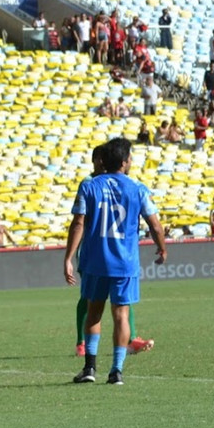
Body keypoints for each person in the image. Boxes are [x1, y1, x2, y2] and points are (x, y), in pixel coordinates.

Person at [64, 137, 167, 386]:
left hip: (95, 261)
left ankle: (89, 367)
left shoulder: (89, 186)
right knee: (121, 315)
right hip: (125, 262)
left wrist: (68, 257)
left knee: (94, 313)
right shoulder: (138, 189)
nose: (131, 162)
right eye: (130, 158)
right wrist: (161, 248)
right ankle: (116, 371)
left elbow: (78, 222)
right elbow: (155, 224)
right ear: (123, 162)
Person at [71, 143, 154, 358]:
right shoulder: (89, 183)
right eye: (99, 159)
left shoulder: (121, 184)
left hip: (114, 253)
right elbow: (80, 221)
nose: (102, 163)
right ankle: (81, 341)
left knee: (121, 303)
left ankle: (131, 339)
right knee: (90, 301)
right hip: (93, 252)